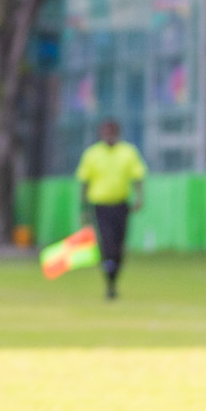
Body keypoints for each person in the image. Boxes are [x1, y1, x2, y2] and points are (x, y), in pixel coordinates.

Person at [75, 118, 146, 300]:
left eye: (111, 132)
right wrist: (84, 207)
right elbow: (85, 181)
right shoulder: (92, 154)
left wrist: (139, 198)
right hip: (100, 206)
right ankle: (109, 282)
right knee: (107, 244)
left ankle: (113, 279)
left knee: (119, 246)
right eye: (105, 132)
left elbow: (137, 176)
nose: (108, 136)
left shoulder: (128, 152)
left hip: (121, 205)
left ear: (117, 133)